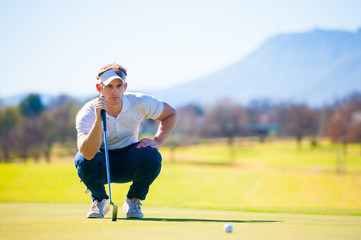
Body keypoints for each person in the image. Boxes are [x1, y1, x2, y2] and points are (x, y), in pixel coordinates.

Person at [74, 63, 177, 219]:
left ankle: (133, 200)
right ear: (99, 87)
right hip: (100, 163)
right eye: (109, 86)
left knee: (152, 156)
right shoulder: (87, 112)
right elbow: (87, 153)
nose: (115, 91)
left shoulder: (139, 102)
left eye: (119, 85)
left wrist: (158, 141)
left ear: (125, 86)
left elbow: (170, 114)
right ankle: (100, 200)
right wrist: (98, 120)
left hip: (128, 160)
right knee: (81, 159)